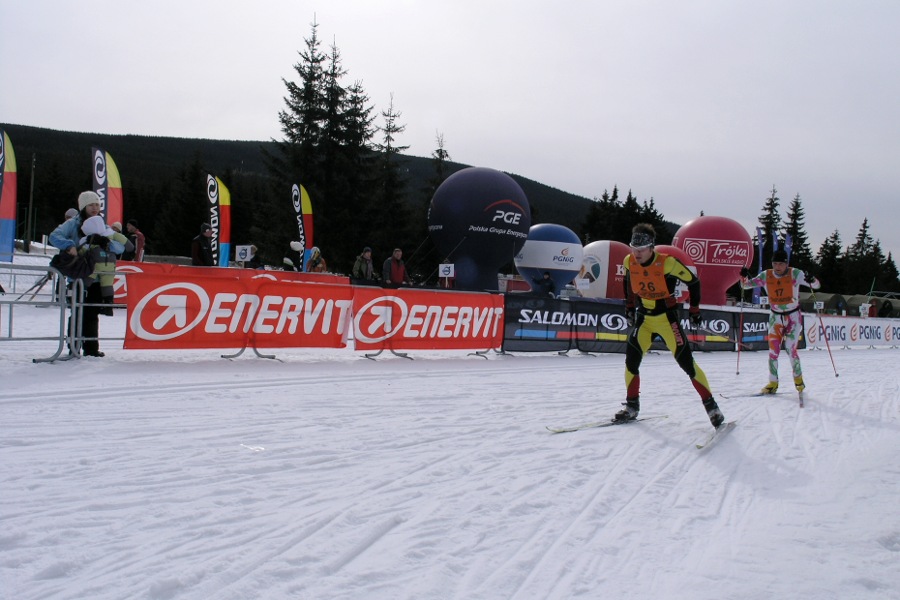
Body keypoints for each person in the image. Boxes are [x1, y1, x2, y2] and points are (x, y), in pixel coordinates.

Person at [616, 223, 724, 429]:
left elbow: (694, 282)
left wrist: (694, 310)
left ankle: (712, 407)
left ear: (651, 248)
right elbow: (628, 281)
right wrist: (629, 306)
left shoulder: (668, 263)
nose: (636, 254)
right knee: (631, 362)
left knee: (687, 364)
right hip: (644, 319)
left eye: (640, 250)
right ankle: (632, 406)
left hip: (667, 320)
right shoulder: (629, 261)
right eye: (633, 249)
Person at [48, 191, 125, 357]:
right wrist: (70, 245)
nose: (95, 208)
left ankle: (91, 349)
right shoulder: (73, 224)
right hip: (78, 276)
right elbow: (54, 236)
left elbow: (121, 248)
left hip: (96, 277)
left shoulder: (101, 225)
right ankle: (73, 347)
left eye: (97, 204)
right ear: (83, 206)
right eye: (91, 205)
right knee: (76, 312)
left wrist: (106, 242)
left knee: (91, 313)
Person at [740, 249, 821, 394]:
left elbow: (816, 286)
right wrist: (743, 277)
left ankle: (798, 380)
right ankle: (772, 383)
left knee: (790, 348)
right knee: (773, 351)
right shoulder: (766, 275)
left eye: (781, 264)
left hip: (793, 317)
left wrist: (812, 279)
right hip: (775, 317)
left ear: (786, 264)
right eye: (775, 263)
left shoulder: (796, 273)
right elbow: (745, 286)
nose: (777, 267)